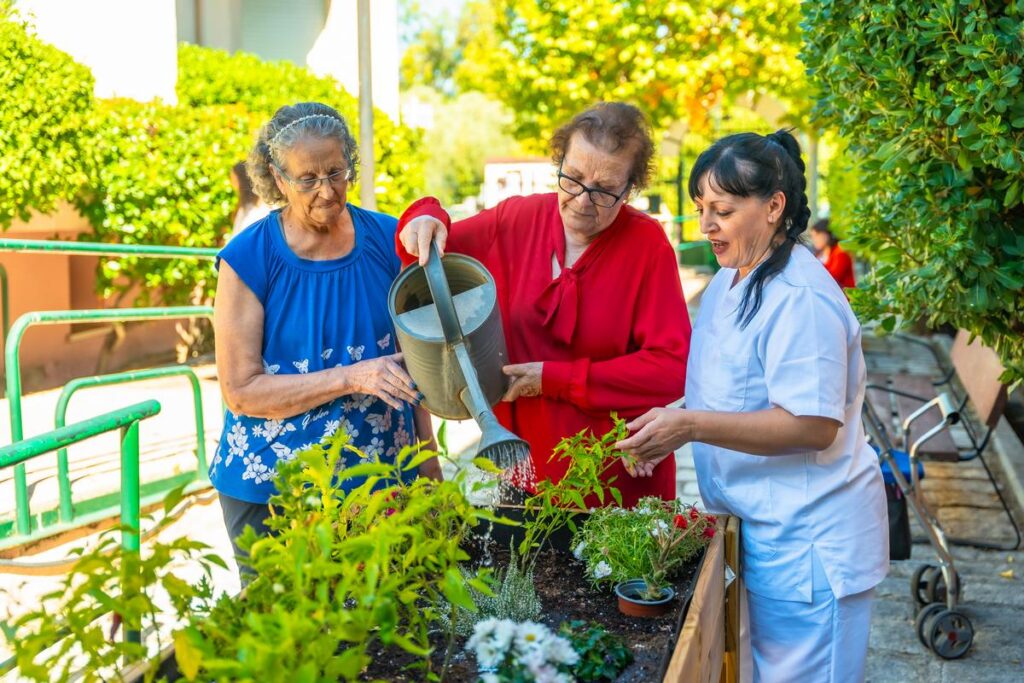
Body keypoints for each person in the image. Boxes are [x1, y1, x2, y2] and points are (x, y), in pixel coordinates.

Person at [615, 130, 888, 681]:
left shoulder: (800, 298)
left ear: (774, 207)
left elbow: (812, 425)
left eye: (722, 209)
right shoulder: (730, 280)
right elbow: (726, 390)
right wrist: (661, 428)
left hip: (809, 542)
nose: (706, 226)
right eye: (700, 209)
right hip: (760, 531)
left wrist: (688, 425)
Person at [396, 102, 691, 508]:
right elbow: (426, 249)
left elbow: (671, 368)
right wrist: (425, 217)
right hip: (523, 472)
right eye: (572, 179)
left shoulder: (647, 245)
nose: (583, 201)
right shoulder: (516, 220)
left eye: (604, 190)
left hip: (615, 476)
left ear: (630, 190)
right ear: (559, 161)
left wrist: (555, 378)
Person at [211, 102, 441, 574]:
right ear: (279, 179)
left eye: (336, 172)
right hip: (275, 488)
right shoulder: (247, 258)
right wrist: (351, 377)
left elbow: (410, 360)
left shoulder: (386, 238)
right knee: (289, 635)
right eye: (307, 178)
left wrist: (428, 464)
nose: (326, 191)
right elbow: (240, 391)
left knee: (381, 633)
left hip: (378, 479)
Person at [810, 217, 855, 289]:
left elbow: (831, 278)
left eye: (817, 235)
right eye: (812, 237)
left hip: (843, 298)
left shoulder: (840, 252)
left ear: (826, 234)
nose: (814, 240)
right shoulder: (819, 255)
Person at [228, 160, 269, 237]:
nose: (232, 183)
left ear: (241, 180)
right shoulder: (245, 207)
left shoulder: (256, 209)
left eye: (234, 179)